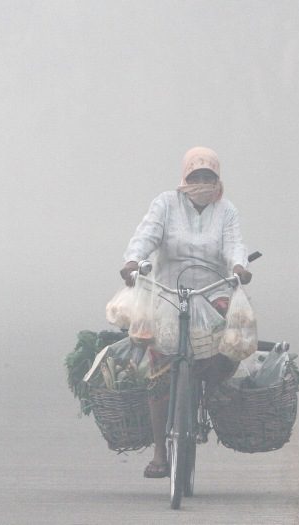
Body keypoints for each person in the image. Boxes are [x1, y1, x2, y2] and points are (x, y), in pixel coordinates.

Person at [119, 146, 252, 478]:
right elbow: (145, 235)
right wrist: (133, 261)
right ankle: (160, 452)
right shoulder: (166, 204)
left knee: (230, 347)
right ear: (185, 178)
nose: (203, 183)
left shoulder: (227, 211)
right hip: (166, 291)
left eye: (209, 177)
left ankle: (210, 390)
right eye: (196, 177)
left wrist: (239, 266)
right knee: (159, 366)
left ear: (218, 180)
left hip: (211, 291)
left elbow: (235, 243)